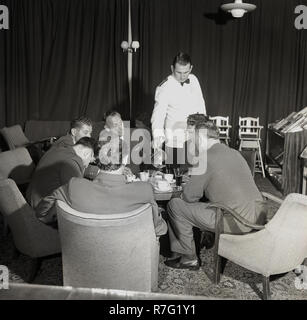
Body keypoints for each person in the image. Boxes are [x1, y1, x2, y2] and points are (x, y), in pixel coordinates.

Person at [165, 115, 267, 270]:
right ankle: (205, 238)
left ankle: (188, 258)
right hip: (258, 216)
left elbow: (189, 197)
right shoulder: (235, 153)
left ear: (201, 138)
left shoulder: (204, 158)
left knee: (175, 205)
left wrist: (183, 190)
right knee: (205, 202)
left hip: (236, 221)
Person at [35, 137, 167, 237]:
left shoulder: (74, 186)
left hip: (84, 256)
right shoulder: (144, 190)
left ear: (96, 159)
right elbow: (159, 229)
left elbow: (42, 212)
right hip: (129, 258)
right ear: (124, 159)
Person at [151, 52, 207, 169]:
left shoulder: (194, 80)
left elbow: (201, 106)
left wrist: (203, 133)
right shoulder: (164, 87)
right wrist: (157, 145)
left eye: (186, 72)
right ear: (172, 68)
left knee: (195, 174)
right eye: (179, 72)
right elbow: (158, 117)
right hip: (174, 141)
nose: (182, 76)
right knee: (174, 177)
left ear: (191, 68)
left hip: (193, 138)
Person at [26, 137, 96, 209]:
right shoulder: (71, 162)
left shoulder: (58, 149)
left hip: (30, 199)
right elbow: (78, 197)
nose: (87, 166)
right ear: (86, 153)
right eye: (89, 161)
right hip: (42, 210)